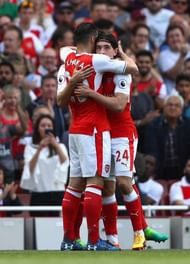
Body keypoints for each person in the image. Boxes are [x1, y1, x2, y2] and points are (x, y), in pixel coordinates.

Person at [74, 32, 168, 249]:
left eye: (107, 47)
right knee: (107, 187)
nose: (102, 52)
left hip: (123, 133)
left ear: (115, 51)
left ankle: (139, 234)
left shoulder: (121, 71)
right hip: (102, 133)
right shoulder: (95, 69)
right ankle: (114, 239)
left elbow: (118, 105)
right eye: (98, 48)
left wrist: (90, 93)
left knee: (124, 182)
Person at [57, 22, 138, 251]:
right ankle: (94, 241)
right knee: (96, 182)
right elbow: (133, 69)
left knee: (74, 185)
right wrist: (120, 52)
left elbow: (59, 101)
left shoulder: (65, 64)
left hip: (75, 129)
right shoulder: (96, 61)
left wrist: (73, 82)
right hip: (94, 128)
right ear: (92, 37)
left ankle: (69, 240)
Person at [20, 114, 69, 217]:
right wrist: (39, 149)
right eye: (43, 125)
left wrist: (55, 145)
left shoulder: (60, 146)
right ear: (37, 128)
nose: (46, 128)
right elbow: (29, 168)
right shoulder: (30, 148)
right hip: (39, 192)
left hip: (57, 192)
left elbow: (65, 162)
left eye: (49, 126)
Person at [145, 95, 190, 181]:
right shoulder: (154, 125)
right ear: (164, 107)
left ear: (182, 109)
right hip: (159, 173)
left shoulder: (188, 125)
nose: (173, 108)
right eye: (170, 105)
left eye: (177, 105)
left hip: (184, 173)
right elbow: (151, 150)